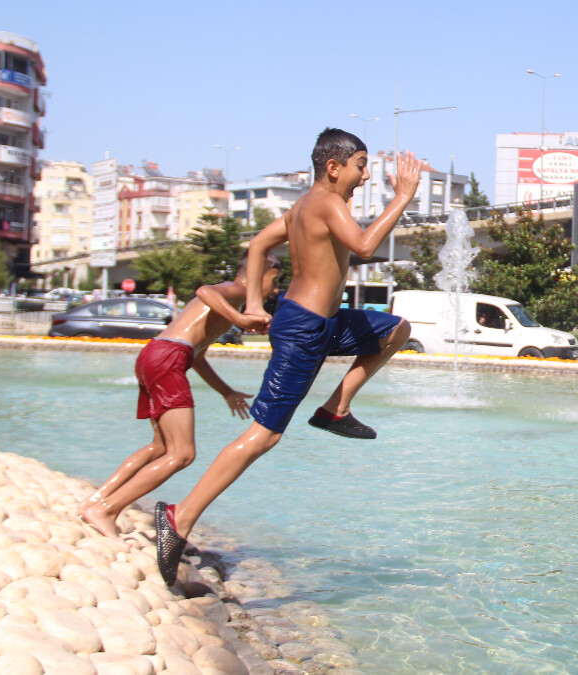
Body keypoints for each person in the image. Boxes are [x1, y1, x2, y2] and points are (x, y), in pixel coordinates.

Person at [154, 128, 419, 584]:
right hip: (302, 331)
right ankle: (179, 516)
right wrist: (403, 198)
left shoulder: (302, 208)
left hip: (323, 322)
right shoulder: (325, 203)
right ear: (334, 167)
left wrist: (256, 304)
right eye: (360, 165)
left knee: (396, 329)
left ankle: (336, 407)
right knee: (264, 434)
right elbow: (364, 247)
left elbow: (257, 245)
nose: (365, 174)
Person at [78, 253, 282, 537]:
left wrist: (226, 391)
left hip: (157, 355)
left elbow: (196, 358)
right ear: (257, 273)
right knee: (182, 454)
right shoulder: (234, 290)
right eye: (274, 281)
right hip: (168, 358)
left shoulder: (230, 305)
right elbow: (203, 290)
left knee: (161, 448)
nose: (274, 290)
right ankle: (106, 510)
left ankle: (97, 499)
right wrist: (240, 319)